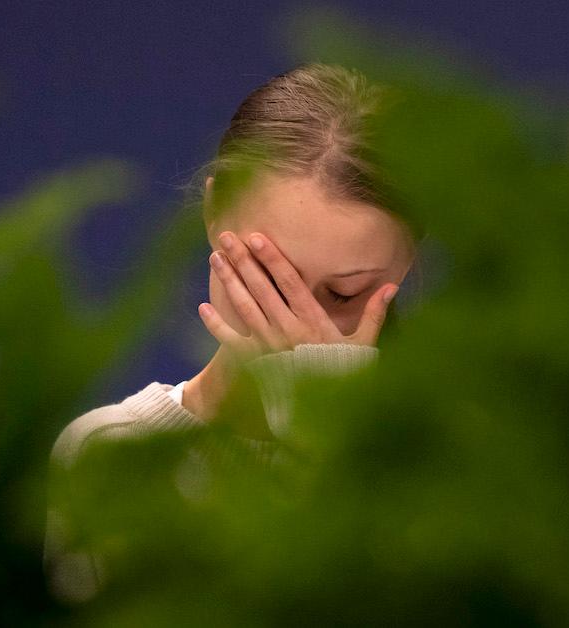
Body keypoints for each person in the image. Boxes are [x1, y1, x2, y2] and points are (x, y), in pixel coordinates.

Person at [44, 62, 422, 604]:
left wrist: (331, 444)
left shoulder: (460, 478)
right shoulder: (110, 452)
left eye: (342, 294)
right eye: (266, 277)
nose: (294, 330)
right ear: (213, 210)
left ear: (405, 264)